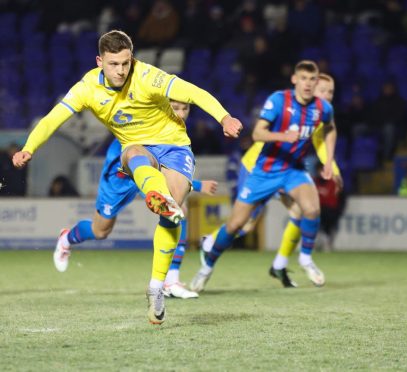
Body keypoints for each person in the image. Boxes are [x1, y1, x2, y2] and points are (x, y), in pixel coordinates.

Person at [12, 30, 243, 325]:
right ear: (100, 61)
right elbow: (52, 119)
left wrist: (224, 117)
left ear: (131, 58)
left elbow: (193, 92)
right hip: (128, 155)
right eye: (113, 64)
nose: (121, 70)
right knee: (102, 228)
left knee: (172, 213)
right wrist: (29, 147)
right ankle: (68, 237)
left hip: (172, 148)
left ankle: (156, 287)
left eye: (125, 63)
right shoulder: (86, 88)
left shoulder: (148, 76)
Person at [190, 61, 336, 291]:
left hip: (293, 170)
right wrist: (283, 136)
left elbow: (330, 128)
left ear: (316, 81)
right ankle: (207, 267)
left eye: (312, 79)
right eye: (304, 78)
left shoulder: (323, 108)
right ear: (295, 80)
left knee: (311, 209)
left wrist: (328, 161)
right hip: (265, 171)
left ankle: (305, 258)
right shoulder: (279, 100)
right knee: (237, 225)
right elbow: (257, 133)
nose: (308, 84)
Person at [52, 100, 218, 300]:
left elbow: (172, 169)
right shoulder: (142, 114)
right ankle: (67, 238)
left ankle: (171, 280)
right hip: (120, 176)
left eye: (185, 109)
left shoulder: (175, 133)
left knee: (176, 208)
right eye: (176, 108)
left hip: (149, 178)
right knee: (101, 230)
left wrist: (196, 185)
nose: (181, 114)